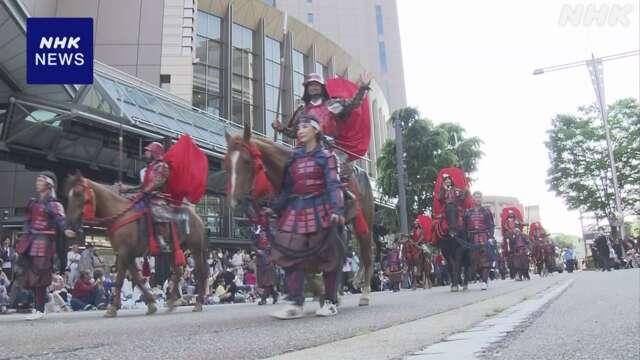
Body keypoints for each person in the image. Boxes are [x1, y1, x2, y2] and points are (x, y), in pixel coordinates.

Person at [264, 114, 345, 320]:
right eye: (299, 127)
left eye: (305, 126)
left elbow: (333, 184)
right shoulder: (294, 157)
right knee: (291, 252)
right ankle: (295, 303)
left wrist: (337, 210)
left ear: (316, 130)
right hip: (297, 208)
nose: (300, 130)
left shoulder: (327, 157)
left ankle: (330, 301)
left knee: (328, 255)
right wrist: (274, 207)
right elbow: (287, 188)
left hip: (321, 207)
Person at [274, 72, 371, 182]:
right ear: (307, 89)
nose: (313, 87)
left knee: (338, 172)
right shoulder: (302, 111)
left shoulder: (332, 105)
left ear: (322, 88)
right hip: (303, 149)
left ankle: (344, 195)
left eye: (316, 85)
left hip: (327, 148)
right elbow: (294, 133)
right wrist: (281, 128)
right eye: (311, 85)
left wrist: (363, 87)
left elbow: (353, 104)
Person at [16, 172, 75, 320]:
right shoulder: (33, 203)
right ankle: (38, 308)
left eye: (40, 180)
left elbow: (61, 221)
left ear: (49, 184)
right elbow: (28, 222)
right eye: (37, 180)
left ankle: (40, 309)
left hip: (44, 242)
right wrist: (25, 235)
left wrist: (66, 230)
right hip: (31, 241)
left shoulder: (55, 205)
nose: (37, 182)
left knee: (40, 276)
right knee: (31, 275)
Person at [120, 142, 172, 251]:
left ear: (154, 152)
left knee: (156, 209)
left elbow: (158, 182)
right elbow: (143, 185)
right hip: (146, 195)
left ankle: (161, 238)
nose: (145, 153)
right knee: (131, 207)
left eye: (148, 150)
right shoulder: (150, 167)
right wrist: (127, 189)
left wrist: (145, 191)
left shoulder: (162, 166)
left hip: (157, 196)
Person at [463, 191, 495, 290]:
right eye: (476, 197)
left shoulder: (486, 211)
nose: (478, 199)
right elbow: (464, 227)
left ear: (482, 199)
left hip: (484, 236)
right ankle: (480, 277)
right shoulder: (468, 212)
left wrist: (490, 237)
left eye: (480, 197)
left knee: (486, 259)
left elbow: (491, 225)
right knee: (474, 260)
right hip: (472, 238)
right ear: (473, 198)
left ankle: (485, 281)